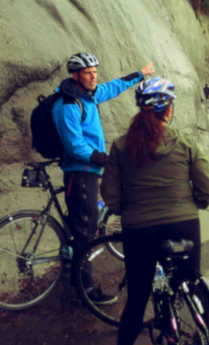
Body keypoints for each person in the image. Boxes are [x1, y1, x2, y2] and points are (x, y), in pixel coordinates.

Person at [100, 77, 209, 345]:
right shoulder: (186, 142)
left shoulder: (119, 146)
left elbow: (111, 196)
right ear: (169, 109)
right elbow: (206, 187)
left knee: (138, 296)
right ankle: (207, 334)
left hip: (138, 228)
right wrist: (196, 203)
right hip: (183, 223)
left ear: (142, 109)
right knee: (192, 284)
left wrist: (124, 210)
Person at [53, 52, 156, 305]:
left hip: (87, 172)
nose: (93, 77)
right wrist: (104, 158)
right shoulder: (68, 104)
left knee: (80, 226)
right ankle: (85, 289)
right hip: (79, 174)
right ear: (75, 76)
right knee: (86, 233)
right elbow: (75, 146)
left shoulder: (88, 95)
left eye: (95, 72)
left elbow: (111, 88)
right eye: (88, 73)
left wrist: (139, 75)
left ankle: (70, 271)